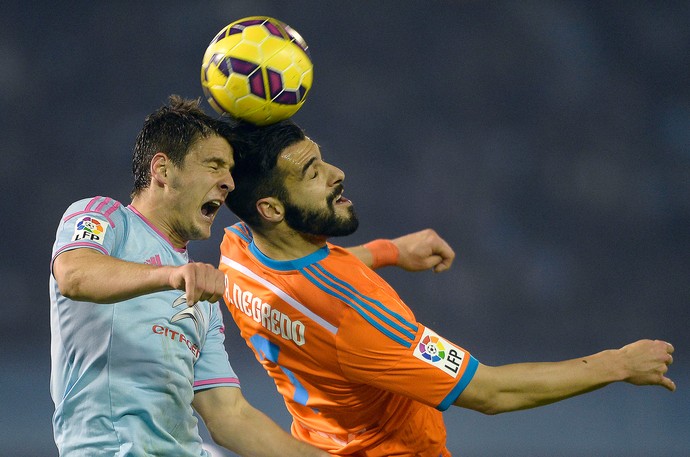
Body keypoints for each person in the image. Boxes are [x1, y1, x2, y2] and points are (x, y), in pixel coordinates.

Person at [218, 119, 676, 457]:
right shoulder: (359, 315)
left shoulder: (237, 251)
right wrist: (616, 364)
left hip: (323, 437)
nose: (336, 173)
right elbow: (491, 392)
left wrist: (389, 251)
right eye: (312, 173)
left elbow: (302, 284)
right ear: (272, 208)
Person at [49, 95, 332, 457]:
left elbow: (230, 416)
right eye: (214, 165)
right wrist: (170, 276)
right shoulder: (104, 217)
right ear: (163, 170)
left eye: (229, 171)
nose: (228, 182)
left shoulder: (202, 295)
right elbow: (74, 274)